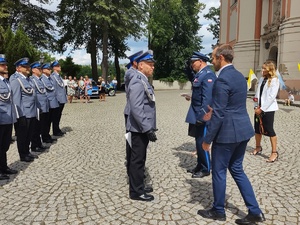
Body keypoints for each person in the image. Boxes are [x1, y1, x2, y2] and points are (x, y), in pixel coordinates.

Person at [198, 44, 265, 224]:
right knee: (237, 169)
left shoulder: (223, 79)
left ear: (221, 57)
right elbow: (231, 105)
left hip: (227, 134)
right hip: (243, 130)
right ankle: (255, 211)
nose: (212, 62)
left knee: (219, 171)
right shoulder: (238, 76)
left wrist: (207, 140)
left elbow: (220, 113)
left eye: (213, 58)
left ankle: (218, 210)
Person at [126, 51, 157, 202]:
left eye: (153, 65)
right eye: (150, 65)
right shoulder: (138, 81)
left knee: (140, 158)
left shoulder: (142, 79)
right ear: (141, 65)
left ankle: (138, 185)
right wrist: (147, 128)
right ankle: (136, 192)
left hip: (140, 127)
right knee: (137, 160)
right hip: (138, 128)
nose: (153, 68)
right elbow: (136, 108)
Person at [185, 51, 216, 178]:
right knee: (198, 142)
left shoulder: (208, 75)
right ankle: (199, 165)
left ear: (201, 61)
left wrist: (202, 117)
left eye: (194, 62)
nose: (192, 64)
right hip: (196, 113)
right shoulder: (200, 75)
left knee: (202, 142)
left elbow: (207, 99)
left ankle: (206, 168)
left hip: (202, 115)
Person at [10, 58, 38, 162]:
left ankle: (27, 151)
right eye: (25, 67)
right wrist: (20, 115)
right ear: (18, 68)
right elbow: (16, 99)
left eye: (28, 66)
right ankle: (23, 154)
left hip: (31, 112)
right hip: (23, 113)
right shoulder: (15, 80)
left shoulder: (28, 79)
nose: (28, 68)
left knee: (29, 134)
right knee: (22, 136)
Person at [251, 61, 280, 163]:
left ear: (270, 70)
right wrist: (255, 106)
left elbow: (271, 97)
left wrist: (262, 108)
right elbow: (257, 94)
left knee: (269, 129)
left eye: (264, 69)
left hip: (268, 109)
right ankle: (258, 147)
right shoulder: (262, 79)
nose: (262, 70)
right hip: (258, 108)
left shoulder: (275, 80)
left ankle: (274, 152)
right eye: (262, 68)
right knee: (257, 128)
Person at [123, 50, 143, 176]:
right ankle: (133, 170)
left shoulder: (134, 72)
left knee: (133, 142)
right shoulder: (131, 73)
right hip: (132, 111)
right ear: (135, 63)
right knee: (133, 142)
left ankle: (133, 168)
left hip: (131, 110)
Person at [0, 54, 18, 179]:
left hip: (8, 118)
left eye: (5, 64)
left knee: (5, 145)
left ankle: (4, 167)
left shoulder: (5, 81)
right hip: (0, 118)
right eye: (2, 65)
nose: (5, 66)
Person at [30, 61, 49, 152]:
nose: (40, 70)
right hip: (37, 107)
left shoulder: (40, 79)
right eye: (39, 69)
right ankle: (35, 145)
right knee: (36, 128)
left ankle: (39, 143)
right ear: (33, 70)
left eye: (41, 69)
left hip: (42, 106)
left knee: (41, 126)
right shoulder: (32, 80)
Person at [40, 63, 58, 144]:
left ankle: (47, 135)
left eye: (50, 69)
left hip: (52, 102)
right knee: (45, 122)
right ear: (43, 70)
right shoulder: (42, 79)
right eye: (48, 69)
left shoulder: (49, 78)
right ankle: (45, 137)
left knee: (49, 120)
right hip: (47, 102)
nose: (50, 70)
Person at [51, 60, 67, 136]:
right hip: (57, 100)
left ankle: (57, 129)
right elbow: (53, 89)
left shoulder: (58, 76)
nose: (60, 67)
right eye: (58, 66)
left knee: (59, 115)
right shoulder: (53, 76)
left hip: (61, 99)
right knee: (55, 116)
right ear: (54, 68)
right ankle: (55, 130)